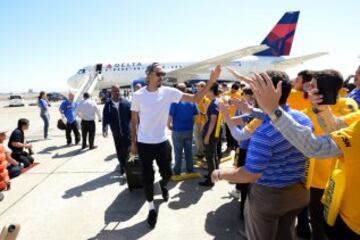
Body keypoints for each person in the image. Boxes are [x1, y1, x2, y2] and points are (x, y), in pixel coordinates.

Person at [245, 72, 360, 240]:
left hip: (353, 223)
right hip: (338, 200)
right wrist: (322, 110)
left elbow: (315, 147)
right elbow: (337, 129)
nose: (309, 90)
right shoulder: (353, 111)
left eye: (312, 86)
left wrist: (274, 111)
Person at [212, 71, 313, 240]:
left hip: (271, 198)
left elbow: (251, 174)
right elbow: (275, 114)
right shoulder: (301, 118)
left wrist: (219, 173)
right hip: (298, 193)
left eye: (256, 89)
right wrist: (250, 110)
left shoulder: (264, 133)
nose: (253, 93)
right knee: (286, 234)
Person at [130, 62, 221, 228]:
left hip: (162, 142)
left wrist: (211, 81)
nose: (162, 76)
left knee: (167, 173)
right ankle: (151, 208)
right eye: (159, 73)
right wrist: (133, 143)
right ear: (149, 74)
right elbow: (134, 120)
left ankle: (163, 185)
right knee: (147, 176)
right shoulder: (138, 95)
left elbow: (195, 98)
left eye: (163, 74)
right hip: (144, 143)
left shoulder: (169, 92)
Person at [168, 83, 199, 175]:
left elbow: (170, 116)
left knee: (178, 151)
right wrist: (191, 124)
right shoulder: (192, 101)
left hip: (177, 129)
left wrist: (168, 125)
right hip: (188, 129)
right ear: (185, 90)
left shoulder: (174, 102)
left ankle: (177, 170)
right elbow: (196, 116)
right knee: (188, 151)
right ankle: (190, 169)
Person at [103, 85, 131, 176]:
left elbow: (131, 117)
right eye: (115, 91)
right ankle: (123, 167)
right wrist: (105, 128)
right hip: (116, 133)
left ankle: (129, 168)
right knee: (119, 151)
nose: (117, 93)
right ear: (111, 92)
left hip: (127, 132)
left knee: (128, 151)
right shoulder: (108, 104)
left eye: (118, 91)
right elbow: (105, 117)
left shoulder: (126, 103)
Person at [198, 83, 221, 187]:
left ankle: (211, 180)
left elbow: (212, 121)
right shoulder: (215, 102)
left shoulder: (214, 104)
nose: (205, 93)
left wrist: (207, 136)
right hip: (214, 132)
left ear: (212, 91)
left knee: (209, 156)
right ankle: (214, 175)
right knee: (213, 155)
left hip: (211, 134)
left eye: (207, 91)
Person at [224, 82, 242, 152]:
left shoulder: (239, 95)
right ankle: (229, 146)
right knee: (228, 133)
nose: (233, 91)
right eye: (232, 89)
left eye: (235, 90)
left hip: (235, 117)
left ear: (237, 90)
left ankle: (235, 146)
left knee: (234, 131)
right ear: (231, 88)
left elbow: (240, 105)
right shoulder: (226, 94)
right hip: (227, 116)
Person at [193, 81, 209, 159]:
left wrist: (201, 113)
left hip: (201, 120)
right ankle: (203, 151)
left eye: (198, 86)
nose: (197, 88)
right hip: (199, 120)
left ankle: (201, 152)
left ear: (203, 87)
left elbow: (206, 110)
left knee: (198, 136)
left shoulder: (204, 97)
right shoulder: (201, 96)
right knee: (199, 136)